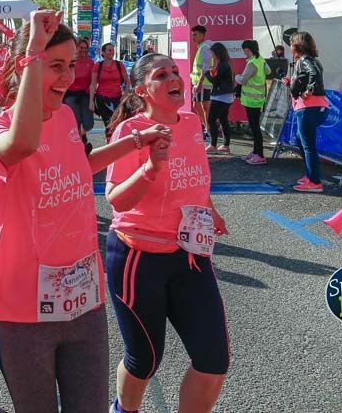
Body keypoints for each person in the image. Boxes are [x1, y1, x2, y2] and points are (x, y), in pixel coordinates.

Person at [0, 11, 113, 412]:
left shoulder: (66, 116)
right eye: (56, 66)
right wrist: (34, 51)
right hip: (21, 309)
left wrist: (136, 142)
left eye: (71, 65)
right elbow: (22, 144)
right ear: (26, 65)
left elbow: (79, 167)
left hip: (82, 296)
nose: (68, 76)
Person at [104, 53, 229, 413]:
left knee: (213, 359)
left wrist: (209, 209)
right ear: (142, 90)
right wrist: (149, 168)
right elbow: (116, 199)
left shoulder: (190, 122)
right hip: (137, 256)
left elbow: (195, 176)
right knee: (145, 359)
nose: (174, 78)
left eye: (175, 71)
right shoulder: (131, 132)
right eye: (162, 75)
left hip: (189, 253)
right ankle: (123, 410)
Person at [285, 31, 328, 192]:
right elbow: (308, 76)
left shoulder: (304, 60)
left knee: (308, 145)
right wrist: (292, 83)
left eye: (291, 44)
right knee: (300, 141)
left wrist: (308, 91)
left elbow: (314, 74)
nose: (290, 47)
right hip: (315, 108)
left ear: (297, 45)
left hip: (308, 108)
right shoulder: (311, 60)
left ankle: (315, 182)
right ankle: (311, 175)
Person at [235, 39, 270, 165]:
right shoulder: (260, 60)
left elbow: (242, 80)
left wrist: (236, 76)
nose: (244, 53)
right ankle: (256, 152)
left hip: (251, 100)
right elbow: (268, 72)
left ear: (247, 49)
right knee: (254, 127)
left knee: (255, 128)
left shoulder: (252, 63)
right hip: (258, 99)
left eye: (244, 50)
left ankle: (260, 155)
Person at [63, 37, 95, 151]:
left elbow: (93, 82)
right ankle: (79, 148)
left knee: (88, 124)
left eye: (86, 48)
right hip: (71, 95)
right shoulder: (70, 62)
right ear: (76, 48)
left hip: (85, 95)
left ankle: (82, 136)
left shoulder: (91, 63)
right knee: (75, 123)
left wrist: (91, 100)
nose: (84, 50)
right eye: (81, 48)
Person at [90, 42, 129, 136]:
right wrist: (91, 101)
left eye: (113, 50)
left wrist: (124, 95)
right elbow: (93, 84)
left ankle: (115, 140)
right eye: (109, 50)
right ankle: (110, 141)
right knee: (108, 123)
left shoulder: (119, 65)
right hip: (102, 99)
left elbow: (127, 82)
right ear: (103, 52)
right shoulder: (98, 66)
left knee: (118, 122)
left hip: (117, 98)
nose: (112, 52)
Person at [204, 42, 235, 155]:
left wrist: (207, 73)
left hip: (221, 96)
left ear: (217, 53)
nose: (212, 55)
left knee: (211, 119)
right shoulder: (226, 63)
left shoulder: (222, 64)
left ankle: (213, 145)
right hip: (227, 96)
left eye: (212, 53)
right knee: (223, 120)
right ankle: (226, 145)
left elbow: (216, 82)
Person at [190, 25, 213, 138]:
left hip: (204, 84)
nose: (193, 37)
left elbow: (206, 66)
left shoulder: (204, 47)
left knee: (205, 107)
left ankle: (209, 130)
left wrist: (200, 82)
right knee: (198, 105)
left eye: (195, 35)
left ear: (203, 35)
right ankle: (208, 128)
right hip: (199, 83)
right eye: (192, 35)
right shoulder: (202, 47)